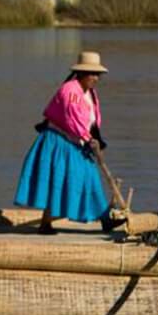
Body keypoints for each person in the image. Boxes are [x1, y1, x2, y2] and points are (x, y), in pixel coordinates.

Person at [14, 51, 114, 234]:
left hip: (74, 141)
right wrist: (89, 140)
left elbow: (91, 121)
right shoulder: (70, 91)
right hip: (58, 142)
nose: (96, 78)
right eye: (92, 74)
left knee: (87, 177)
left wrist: (96, 140)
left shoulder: (89, 93)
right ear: (82, 74)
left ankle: (104, 219)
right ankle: (102, 219)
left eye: (97, 74)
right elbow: (72, 120)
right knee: (58, 180)